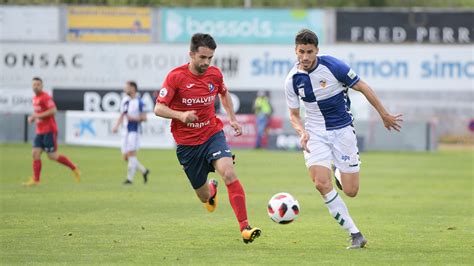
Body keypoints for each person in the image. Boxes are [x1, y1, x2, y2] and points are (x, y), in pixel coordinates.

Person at [284, 29, 403, 249]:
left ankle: (339, 171)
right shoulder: (292, 80)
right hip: (315, 134)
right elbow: (293, 114)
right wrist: (302, 132)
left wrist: (384, 114)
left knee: (351, 191)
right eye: (302, 52)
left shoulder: (333, 66)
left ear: (317, 50)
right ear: (296, 51)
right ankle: (355, 233)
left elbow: (363, 86)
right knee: (321, 183)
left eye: (310, 51)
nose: (306, 57)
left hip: (342, 132)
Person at [154, 33, 261, 244]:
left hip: (212, 134)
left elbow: (224, 93)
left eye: (210, 58)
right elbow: (158, 108)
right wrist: (181, 116)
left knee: (229, 172)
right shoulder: (175, 77)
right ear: (191, 54)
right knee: (203, 197)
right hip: (187, 145)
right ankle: (211, 188)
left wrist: (232, 119)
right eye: (202, 57)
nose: (206, 62)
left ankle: (245, 228)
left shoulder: (214, 74)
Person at [23, 77, 81, 186]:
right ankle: (36, 180)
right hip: (40, 131)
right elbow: (39, 114)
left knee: (52, 156)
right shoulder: (35, 98)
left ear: (42, 86)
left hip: (49, 130)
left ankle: (74, 168)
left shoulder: (45, 97)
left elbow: (53, 110)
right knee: (35, 153)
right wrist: (33, 118)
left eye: (38, 84)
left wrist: (37, 116)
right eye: (34, 84)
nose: (36, 86)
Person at [112, 81, 150, 185]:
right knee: (126, 157)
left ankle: (129, 179)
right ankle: (144, 171)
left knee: (131, 154)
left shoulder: (139, 102)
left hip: (134, 131)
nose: (125, 89)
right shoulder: (125, 100)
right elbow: (122, 115)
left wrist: (133, 118)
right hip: (125, 132)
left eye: (127, 87)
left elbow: (144, 118)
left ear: (133, 88)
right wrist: (116, 126)